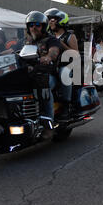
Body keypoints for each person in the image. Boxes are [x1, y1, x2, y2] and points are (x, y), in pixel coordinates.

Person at [26, 11, 61, 140]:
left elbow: (54, 52)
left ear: (43, 26)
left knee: (43, 86)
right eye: (31, 25)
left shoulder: (51, 39)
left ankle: (48, 124)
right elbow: (14, 51)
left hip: (47, 74)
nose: (33, 27)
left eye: (37, 25)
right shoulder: (27, 42)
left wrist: (47, 57)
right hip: (30, 74)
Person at [44, 8, 78, 122]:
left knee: (64, 72)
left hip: (67, 66)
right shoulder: (49, 36)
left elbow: (75, 55)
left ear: (61, 20)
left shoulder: (69, 36)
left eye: (52, 19)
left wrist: (61, 44)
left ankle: (66, 106)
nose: (50, 22)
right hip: (52, 67)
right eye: (49, 20)